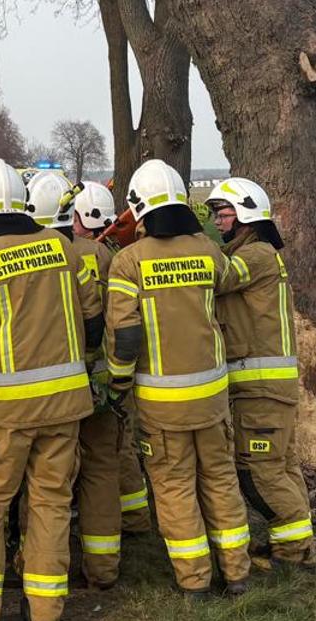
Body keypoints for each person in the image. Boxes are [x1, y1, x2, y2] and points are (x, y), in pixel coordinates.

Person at [0, 158, 102, 621]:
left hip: (3, 413)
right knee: (51, 502)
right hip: (66, 406)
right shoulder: (63, 248)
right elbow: (93, 323)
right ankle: (47, 612)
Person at [105, 159, 252, 597]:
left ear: (138, 206)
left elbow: (125, 335)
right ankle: (238, 573)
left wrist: (117, 384)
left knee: (173, 488)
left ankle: (194, 581)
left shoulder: (128, 262)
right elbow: (227, 281)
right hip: (212, 398)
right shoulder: (206, 250)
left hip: (161, 403)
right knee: (220, 480)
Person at [206, 177, 314, 575]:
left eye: (224, 212)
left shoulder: (255, 256)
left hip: (260, 389)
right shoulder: (257, 253)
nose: (217, 221)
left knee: (258, 471)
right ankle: (297, 549)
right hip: (269, 388)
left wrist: (184, 239)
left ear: (247, 213)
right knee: (283, 469)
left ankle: (294, 553)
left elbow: (216, 276)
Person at [31, 173, 131, 589]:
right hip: (101, 374)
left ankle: (32, 563)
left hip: (55, 382)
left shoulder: (43, 255)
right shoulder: (107, 258)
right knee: (101, 468)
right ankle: (103, 567)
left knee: (43, 477)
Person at [67, 181, 154, 540]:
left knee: (79, 453)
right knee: (117, 449)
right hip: (112, 368)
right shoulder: (113, 256)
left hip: (77, 368)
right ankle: (133, 519)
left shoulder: (68, 251)